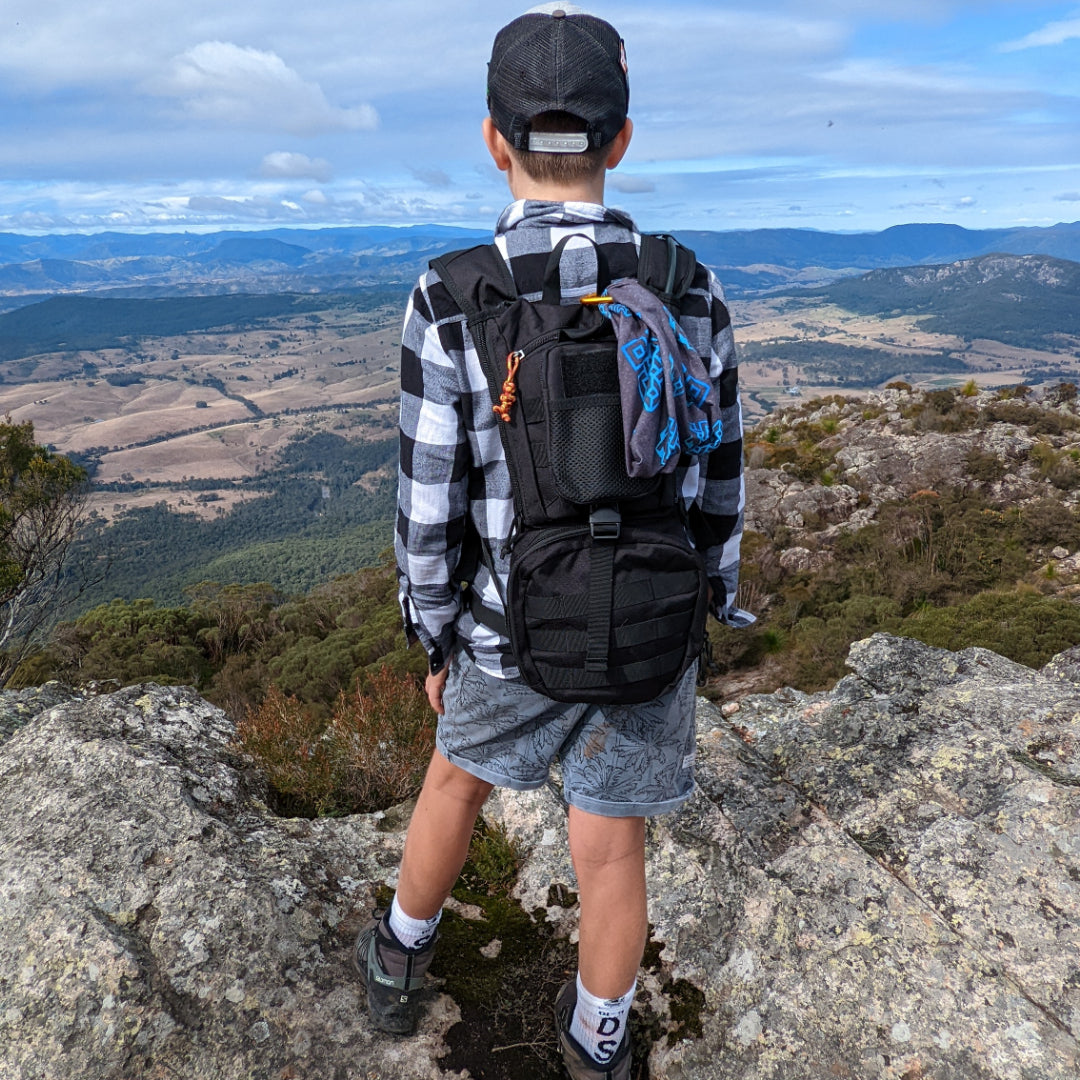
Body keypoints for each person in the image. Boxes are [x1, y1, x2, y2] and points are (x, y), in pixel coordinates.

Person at [355, 5, 748, 1078]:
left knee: (453, 785)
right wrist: (709, 605)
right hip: (650, 628)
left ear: (494, 137)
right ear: (622, 140)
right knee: (612, 844)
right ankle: (598, 1040)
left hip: (499, 634)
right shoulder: (682, 280)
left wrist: (434, 637)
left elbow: (428, 498)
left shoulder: (451, 294)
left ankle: (397, 958)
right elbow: (719, 470)